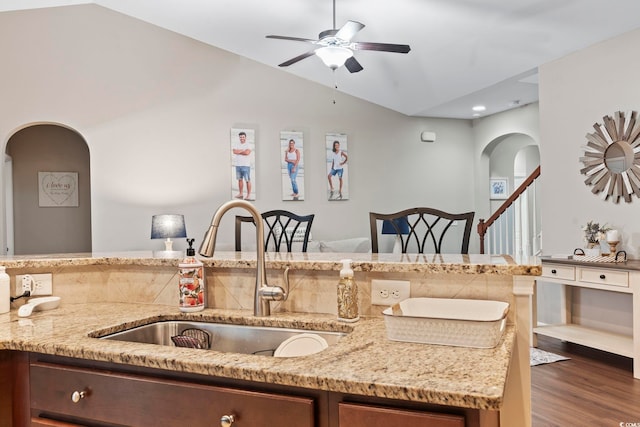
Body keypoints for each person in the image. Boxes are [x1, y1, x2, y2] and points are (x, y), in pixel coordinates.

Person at [233, 131, 252, 200]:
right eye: (240, 137)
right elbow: (234, 151)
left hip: (246, 165)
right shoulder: (237, 144)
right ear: (239, 137)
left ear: (245, 137)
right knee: (239, 179)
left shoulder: (248, 144)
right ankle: (240, 194)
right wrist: (242, 151)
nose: (242, 138)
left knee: (247, 180)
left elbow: (247, 153)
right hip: (238, 165)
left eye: (243, 137)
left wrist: (239, 151)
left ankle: (248, 195)